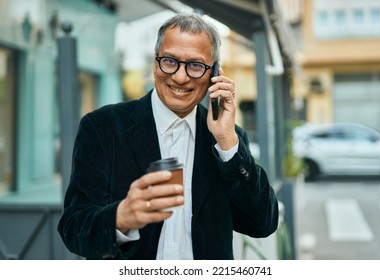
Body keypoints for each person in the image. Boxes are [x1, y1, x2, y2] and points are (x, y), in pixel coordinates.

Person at [58, 12, 279, 260]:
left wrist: (227, 143)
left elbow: (263, 223)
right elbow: (73, 229)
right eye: (170, 61)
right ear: (155, 63)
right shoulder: (102, 128)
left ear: (214, 74)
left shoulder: (227, 139)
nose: (181, 77)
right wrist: (120, 217)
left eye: (195, 65)